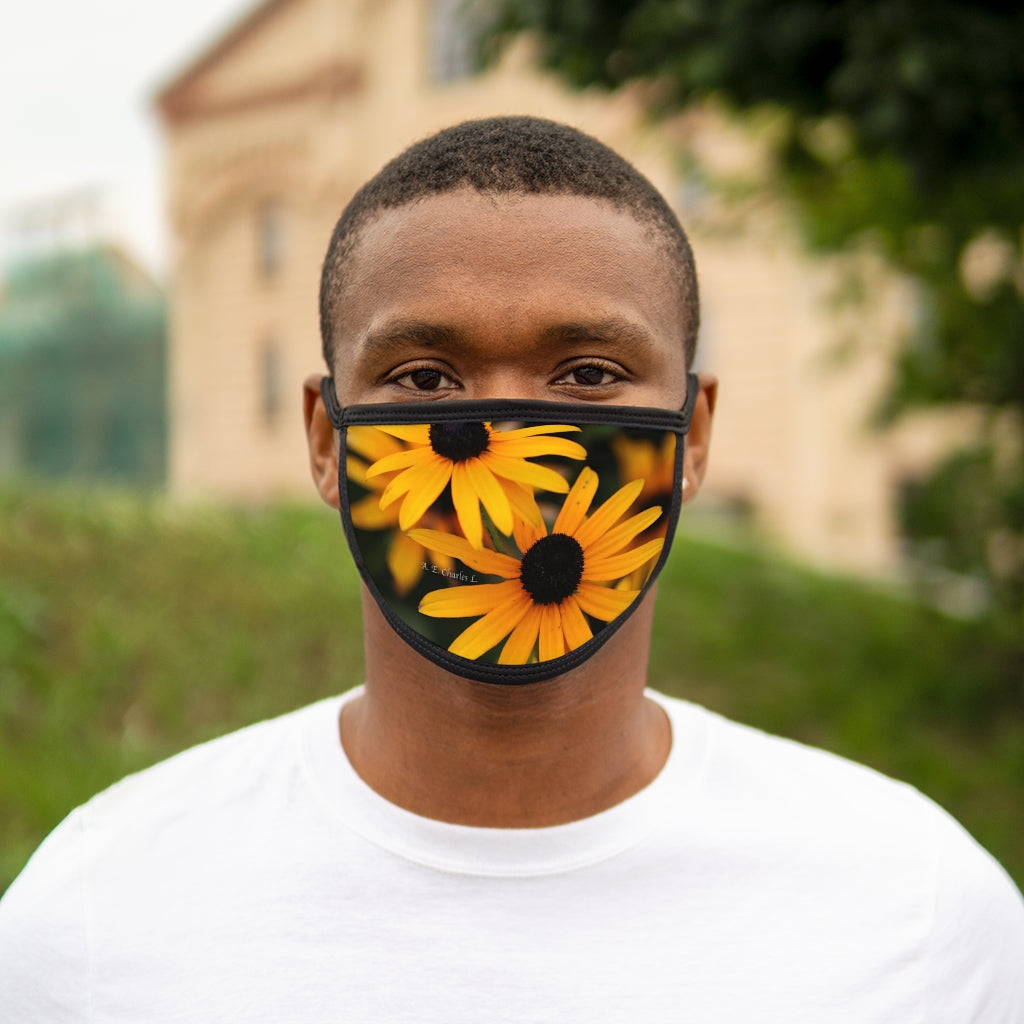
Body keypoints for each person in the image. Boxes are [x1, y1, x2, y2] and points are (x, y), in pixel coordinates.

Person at [1, 116, 1022, 1023]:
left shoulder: (920, 916)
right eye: (425, 376)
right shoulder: (99, 916)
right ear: (324, 435)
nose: (502, 428)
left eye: (587, 373)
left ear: (695, 433)